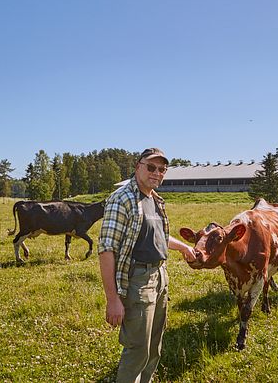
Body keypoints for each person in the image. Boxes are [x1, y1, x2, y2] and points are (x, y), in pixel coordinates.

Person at [98, 147, 196, 383]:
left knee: (154, 346)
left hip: (160, 277)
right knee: (138, 349)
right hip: (138, 281)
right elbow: (106, 249)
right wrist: (112, 300)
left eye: (162, 169)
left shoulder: (155, 199)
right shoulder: (122, 199)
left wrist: (183, 247)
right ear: (137, 167)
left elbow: (160, 235)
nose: (157, 173)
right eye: (151, 167)